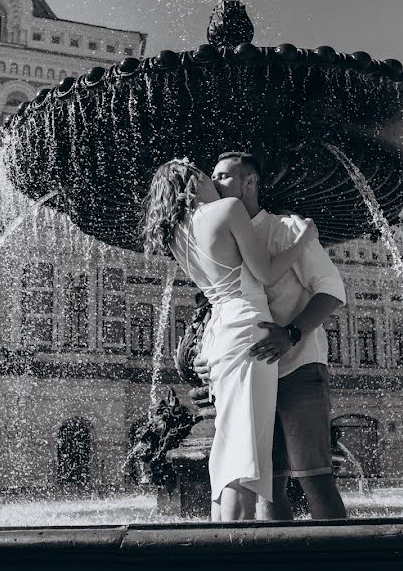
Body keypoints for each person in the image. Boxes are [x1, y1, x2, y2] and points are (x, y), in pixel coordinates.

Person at [140, 158, 317, 521]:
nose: (215, 185)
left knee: (226, 450)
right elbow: (265, 273)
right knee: (245, 455)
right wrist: (303, 240)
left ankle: (218, 543)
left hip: (218, 335)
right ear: (193, 184)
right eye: (208, 177)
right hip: (247, 329)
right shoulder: (228, 209)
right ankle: (239, 551)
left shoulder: (175, 233)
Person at [196, 151, 348, 520]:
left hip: (298, 370)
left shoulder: (286, 229)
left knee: (315, 478)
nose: (215, 183)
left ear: (250, 182)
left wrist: (290, 334)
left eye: (223, 176)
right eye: (213, 176)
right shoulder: (221, 234)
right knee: (266, 485)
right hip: (250, 375)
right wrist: (209, 352)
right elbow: (224, 304)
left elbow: (332, 290)